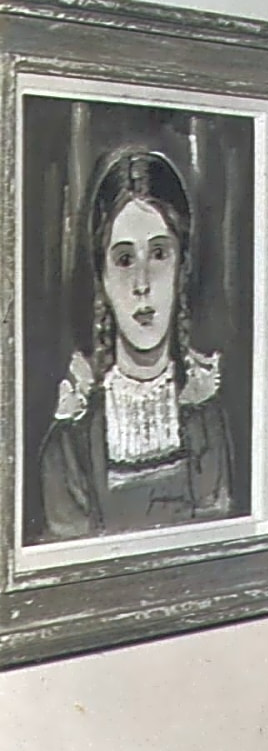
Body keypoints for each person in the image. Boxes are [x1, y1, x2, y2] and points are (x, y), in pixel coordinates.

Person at [38, 148, 234, 541]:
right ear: (103, 279)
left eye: (159, 254)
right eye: (125, 259)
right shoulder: (72, 441)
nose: (142, 283)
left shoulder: (206, 420)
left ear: (182, 268)